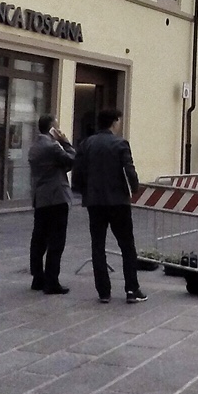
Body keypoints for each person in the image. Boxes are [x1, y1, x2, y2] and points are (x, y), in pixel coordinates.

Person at [72, 109, 145, 303]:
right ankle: (132, 289)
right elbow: (129, 169)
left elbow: (77, 171)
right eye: (119, 120)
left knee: (98, 245)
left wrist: (81, 191)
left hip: (94, 201)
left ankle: (104, 292)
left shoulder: (86, 143)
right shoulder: (120, 143)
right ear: (114, 122)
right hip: (118, 201)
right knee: (127, 245)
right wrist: (135, 188)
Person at [28, 114, 74, 294]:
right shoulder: (53, 145)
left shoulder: (34, 147)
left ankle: (37, 278)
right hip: (57, 197)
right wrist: (66, 141)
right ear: (51, 128)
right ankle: (52, 281)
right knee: (56, 240)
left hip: (41, 197)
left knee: (39, 239)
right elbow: (71, 159)